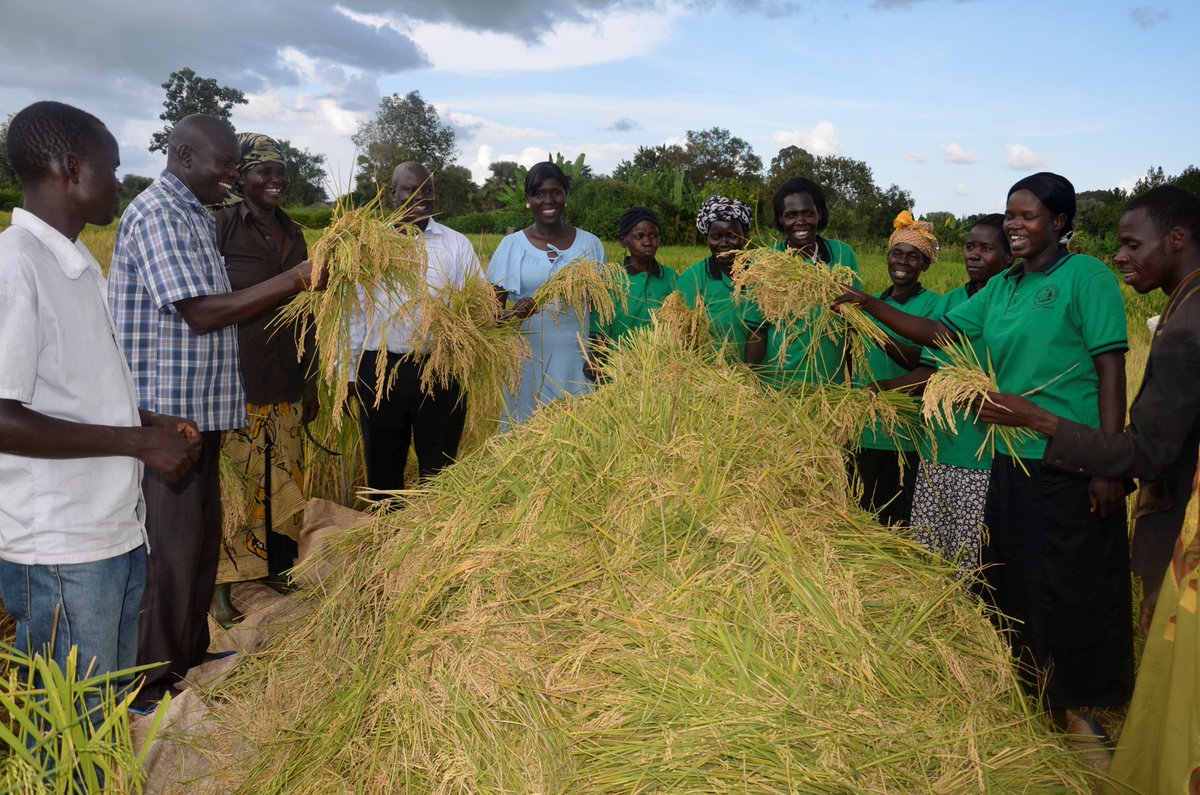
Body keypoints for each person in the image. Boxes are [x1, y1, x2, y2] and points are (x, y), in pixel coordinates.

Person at [835, 172, 1134, 746]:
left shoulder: (1085, 277)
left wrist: (1108, 463)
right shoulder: (1002, 287)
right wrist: (869, 303)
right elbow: (938, 334)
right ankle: (1036, 694)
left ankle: (1082, 703)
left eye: (1027, 216)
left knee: (1071, 580)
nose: (1014, 225)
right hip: (1007, 456)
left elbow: (1110, 370)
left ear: (1059, 222)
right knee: (1019, 581)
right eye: (1010, 215)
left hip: (1068, 456)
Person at [976, 186, 1200, 782]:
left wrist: (1047, 424)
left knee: (1081, 587)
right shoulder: (1181, 309)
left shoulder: (1181, 324)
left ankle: (1102, 722)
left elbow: (1146, 446)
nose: (1120, 255)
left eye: (1132, 244)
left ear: (1176, 239)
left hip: (1083, 471)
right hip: (1032, 461)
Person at [107, 114, 324, 709]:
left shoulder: (197, 216)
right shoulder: (158, 213)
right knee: (168, 553)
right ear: (184, 156)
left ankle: (188, 656)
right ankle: (150, 684)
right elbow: (201, 312)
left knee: (198, 545)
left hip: (203, 413)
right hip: (166, 420)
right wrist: (295, 279)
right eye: (225, 163)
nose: (231, 174)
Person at [0, 101, 199, 692]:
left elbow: (69, 391)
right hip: (61, 547)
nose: (119, 183)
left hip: (110, 529)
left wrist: (147, 422)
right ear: (71, 168)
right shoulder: (16, 265)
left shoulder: (80, 263)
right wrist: (136, 442)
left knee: (103, 711)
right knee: (69, 725)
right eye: (111, 169)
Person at [209, 133, 317, 619]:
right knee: (236, 484)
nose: (275, 180)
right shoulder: (221, 227)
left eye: (281, 171)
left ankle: (276, 568)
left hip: (287, 377)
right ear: (242, 177)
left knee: (283, 477)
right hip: (238, 380)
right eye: (264, 171)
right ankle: (221, 589)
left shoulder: (294, 232)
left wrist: (311, 381)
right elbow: (207, 307)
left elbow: (309, 311)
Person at [349, 161, 482, 490]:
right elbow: (353, 314)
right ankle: (386, 521)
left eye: (428, 190)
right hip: (380, 369)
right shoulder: (367, 246)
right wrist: (349, 374)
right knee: (382, 468)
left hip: (441, 367)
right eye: (410, 189)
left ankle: (436, 523)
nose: (421, 197)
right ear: (393, 194)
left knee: (440, 471)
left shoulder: (456, 244)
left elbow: (477, 302)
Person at [909, 214, 1013, 569]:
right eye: (970, 246)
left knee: (972, 554)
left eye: (986, 248)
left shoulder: (1012, 305)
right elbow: (931, 367)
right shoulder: (950, 302)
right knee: (928, 550)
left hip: (984, 451)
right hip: (938, 444)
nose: (974, 254)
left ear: (1009, 256)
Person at [486, 161, 605, 426]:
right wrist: (513, 313)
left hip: (576, 363)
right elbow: (489, 316)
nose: (548, 200)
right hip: (526, 365)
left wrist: (595, 352)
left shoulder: (590, 245)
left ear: (566, 196)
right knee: (523, 436)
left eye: (555, 192)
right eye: (539, 194)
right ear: (528, 200)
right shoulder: (511, 246)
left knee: (574, 436)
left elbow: (602, 310)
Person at [850, 211, 942, 527]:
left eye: (913, 256)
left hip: (904, 435)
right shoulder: (867, 302)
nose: (902, 261)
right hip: (862, 428)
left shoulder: (935, 305)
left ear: (925, 264)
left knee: (895, 523)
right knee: (859, 518)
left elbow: (923, 363)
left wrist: (872, 323)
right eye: (896, 253)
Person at [746, 176, 860, 386]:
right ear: (780, 219)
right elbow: (757, 329)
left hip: (829, 387)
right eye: (791, 215)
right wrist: (748, 380)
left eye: (808, 213)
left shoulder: (843, 254)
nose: (800, 221)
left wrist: (855, 382)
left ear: (819, 214)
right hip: (776, 386)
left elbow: (854, 323)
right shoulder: (765, 262)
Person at [585, 206, 676, 378]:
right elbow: (599, 332)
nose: (647, 242)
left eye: (653, 236)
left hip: (661, 372)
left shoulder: (672, 278)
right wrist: (595, 361)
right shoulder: (610, 279)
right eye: (638, 236)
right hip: (619, 372)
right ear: (623, 240)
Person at [675, 195, 757, 358]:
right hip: (710, 371)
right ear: (707, 238)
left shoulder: (761, 273)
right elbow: (684, 336)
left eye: (732, 236)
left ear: (745, 236)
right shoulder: (692, 278)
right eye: (716, 237)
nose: (724, 243)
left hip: (762, 370)